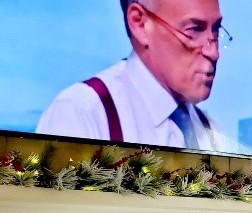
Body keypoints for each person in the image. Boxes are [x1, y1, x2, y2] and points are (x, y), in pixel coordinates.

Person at [37, 0, 228, 151]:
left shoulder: (210, 133)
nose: (214, 52)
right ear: (140, 24)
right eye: (193, 30)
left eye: (216, 30)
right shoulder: (81, 114)